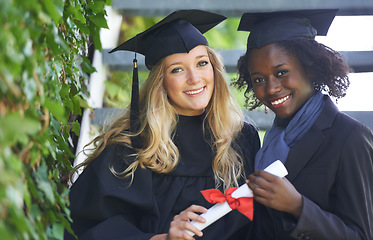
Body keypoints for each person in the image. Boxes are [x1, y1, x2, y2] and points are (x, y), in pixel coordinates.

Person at [65, 9, 260, 240]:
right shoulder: (133, 146)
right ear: (161, 81)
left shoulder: (241, 139)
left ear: (214, 68)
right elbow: (85, 226)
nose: (194, 78)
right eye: (177, 69)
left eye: (201, 63)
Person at [233, 9, 373, 240]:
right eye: (259, 79)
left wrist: (298, 207)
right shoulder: (269, 143)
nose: (271, 88)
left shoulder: (349, 137)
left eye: (282, 72)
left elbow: (361, 235)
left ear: (310, 67)